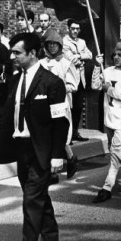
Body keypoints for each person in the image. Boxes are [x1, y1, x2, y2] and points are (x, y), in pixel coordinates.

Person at [0, 32, 69, 241]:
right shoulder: (15, 80)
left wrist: (57, 155)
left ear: (32, 54)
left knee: (31, 200)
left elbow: (60, 123)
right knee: (36, 197)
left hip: (41, 152)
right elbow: (7, 119)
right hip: (21, 149)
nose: (12, 56)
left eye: (17, 52)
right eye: (12, 52)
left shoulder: (52, 83)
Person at [90, 42, 121, 203]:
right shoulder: (108, 71)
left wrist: (110, 90)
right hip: (109, 119)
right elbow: (95, 85)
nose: (117, 58)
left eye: (120, 55)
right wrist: (98, 66)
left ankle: (107, 187)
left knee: (115, 156)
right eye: (115, 55)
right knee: (116, 152)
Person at [40, 29, 81, 180]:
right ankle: (67, 161)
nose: (52, 47)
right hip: (44, 104)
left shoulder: (66, 63)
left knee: (58, 134)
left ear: (60, 45)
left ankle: (59, 167)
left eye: (55, 44)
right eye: (49, 44)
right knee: (47, 135)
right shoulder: (41, 63)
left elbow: (74, 85)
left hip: (60, 104)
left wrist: (59, 86)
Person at [62, 19, 93, 142]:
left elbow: (90, 55)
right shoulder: (64, 42)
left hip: (81, 79)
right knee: (69, 107)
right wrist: (80, 58)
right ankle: (67, 135)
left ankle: (75, 132)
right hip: (70, 79)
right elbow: (70, 59)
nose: (75, 31)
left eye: (77, 29)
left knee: (79, 107)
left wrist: (79, 56)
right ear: (68, 28)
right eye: (73, 28)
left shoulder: (82, 42)